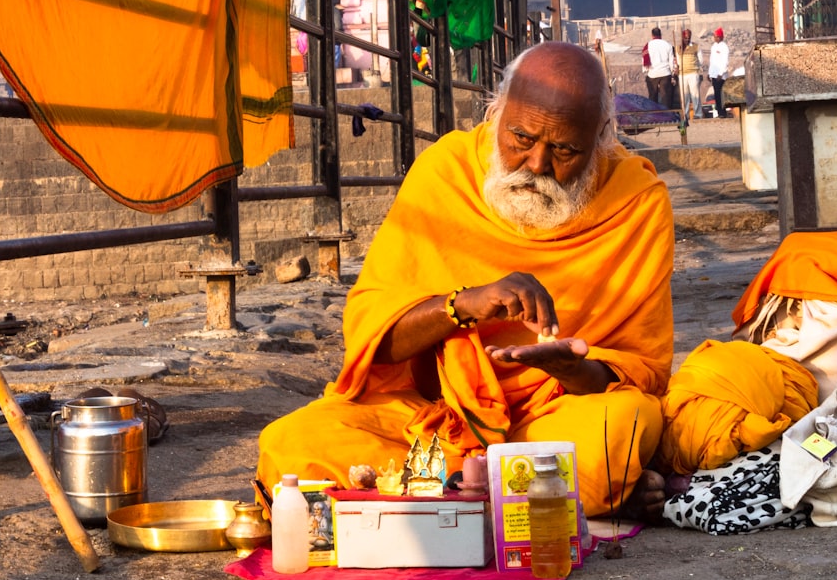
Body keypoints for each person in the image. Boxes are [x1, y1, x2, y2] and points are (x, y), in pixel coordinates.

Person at [258, 41, 674, 521]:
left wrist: (568, 369)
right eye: (521, 137)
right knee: (289, 444)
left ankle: (442, 493)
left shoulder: (635, 201)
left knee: (617, 432)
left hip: (551, 419)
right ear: (495, 114)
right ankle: (521, 492)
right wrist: (463, 305)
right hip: (431, 418)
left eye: (564, 149)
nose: (536, 164)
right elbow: (376, 342)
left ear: (601, 138)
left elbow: (641, 370)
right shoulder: (445, 170)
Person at [643, 27, 676, 109]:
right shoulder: (667, 45)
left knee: (653, 96)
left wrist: (646, 71)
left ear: (652, 35)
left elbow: (644, 59)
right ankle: (667, 116)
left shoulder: (648, 45)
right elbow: (671, 61)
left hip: (652, 73)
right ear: (661, 34)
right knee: (666, 97)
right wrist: (673, 73)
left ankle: (654, 115)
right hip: (665, 73)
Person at [677, 28, 702, 120]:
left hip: (693, 73)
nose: (687, 39)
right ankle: (685, 115)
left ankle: (698, 114)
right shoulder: (679, 48)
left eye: (689, 38)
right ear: (682, 38)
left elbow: (701, 60)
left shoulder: (696, 47)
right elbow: (678, 61)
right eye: (685, 38)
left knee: (695, 95)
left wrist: (695, 68)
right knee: (684, 96)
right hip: (682, 75)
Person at [708, 27, 730, 118]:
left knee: (720, 94)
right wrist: (709, 73)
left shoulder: (724, 47)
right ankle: (719, 111)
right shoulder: (713, 47)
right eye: (714, 36)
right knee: (716, 94)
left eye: (717, 36)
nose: (715, 38)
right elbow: (712, 61)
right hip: (714, 74)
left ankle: (722, 112)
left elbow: (725, 61)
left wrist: (721, 73)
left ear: (721, 37)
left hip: (720, 75)